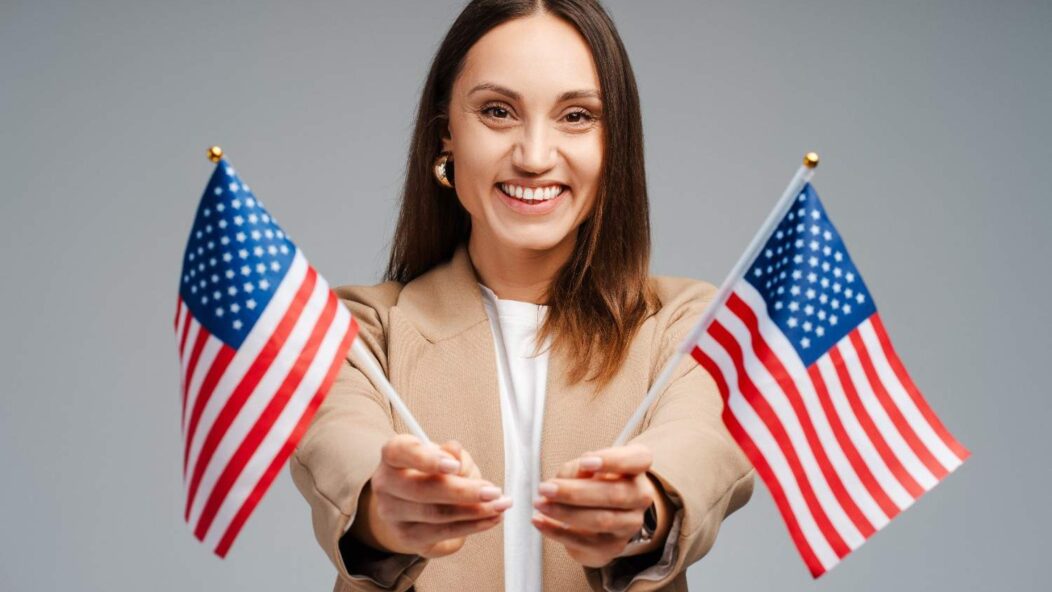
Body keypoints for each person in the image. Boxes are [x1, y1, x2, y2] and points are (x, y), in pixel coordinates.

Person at [288, 1, 755, 590]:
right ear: (446, 134)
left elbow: (699, 444)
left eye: (577, 116)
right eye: (498, 111)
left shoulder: (688, 324)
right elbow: (344, 449)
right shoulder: (355, 330)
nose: (534, 157)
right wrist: (389, 505)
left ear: (615, 143)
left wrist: (640, 506)